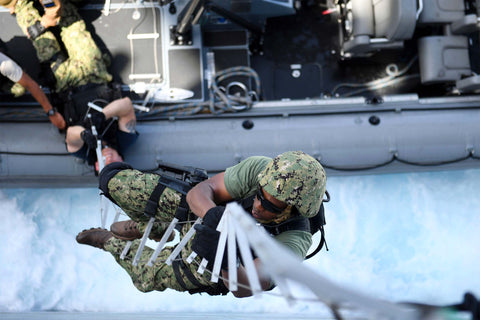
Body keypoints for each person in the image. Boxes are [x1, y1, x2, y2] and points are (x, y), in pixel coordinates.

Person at [76, 151, 327, 297]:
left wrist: (225, 255)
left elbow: (243, 287)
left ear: (294, 209)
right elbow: (201, 191)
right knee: (115, 181)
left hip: (218, 264)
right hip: (207, 216)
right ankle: (151, 226)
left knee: (146, 276)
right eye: (259, 194)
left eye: (272, 206)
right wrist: (214, 217)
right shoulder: (261, 169)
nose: (258, 206)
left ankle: (111, 244)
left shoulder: (294, 242)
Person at [1, 0, 137, 164]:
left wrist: (84, 133)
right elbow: (126, 105)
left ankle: (20, 4)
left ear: (96, 167)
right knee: (70, 20)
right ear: (122, 160)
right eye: (115, 164)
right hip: (93, 72)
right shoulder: (124, 140)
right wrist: (102, 116)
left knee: (38, 34)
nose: (109, 159)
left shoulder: (85, 152)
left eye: (105, 165)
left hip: (64, 81)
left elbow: (71, 135)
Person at [0, 50, 66, 129]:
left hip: (5, 76)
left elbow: (30, 85)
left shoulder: (5, 65)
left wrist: (51, 113)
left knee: (20, 89)